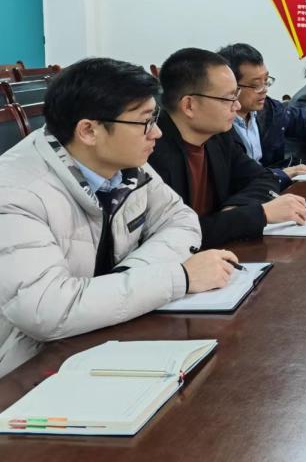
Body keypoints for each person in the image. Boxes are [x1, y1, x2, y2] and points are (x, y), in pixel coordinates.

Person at [0, 58, 238, 377]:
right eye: (144, 122)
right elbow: (47, 311)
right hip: (25, 369)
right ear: (89, 130)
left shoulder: (125, 164)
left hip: (102, 335)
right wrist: (177, 278)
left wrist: (131, 276)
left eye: (154, 118)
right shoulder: (14, 192)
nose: (157, 133)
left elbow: (180, 219)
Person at [148, 48, 306, 249]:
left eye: (236, 95)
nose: (237, 106)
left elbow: (264, 178)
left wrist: (235, 209)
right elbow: (176, 235)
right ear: (189, 105)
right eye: (228, 98)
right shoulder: (152, 151)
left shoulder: (217, 138)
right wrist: (253, 215)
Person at [216, 43, 306, 190]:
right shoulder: (218, 125)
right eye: (256, 85)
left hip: (271, 189)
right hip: (248, 195)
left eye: (266, 81)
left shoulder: (269, 110)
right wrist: (280, 175)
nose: (264, 89)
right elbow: (238, 176)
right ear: (232, 86)